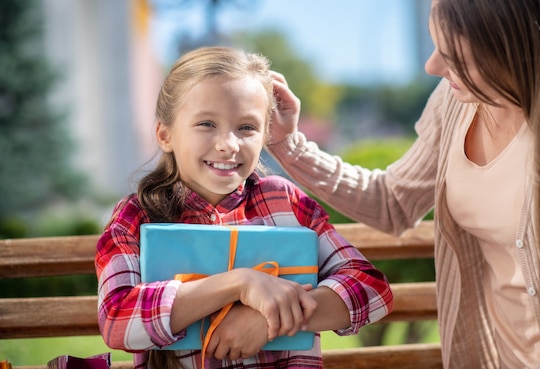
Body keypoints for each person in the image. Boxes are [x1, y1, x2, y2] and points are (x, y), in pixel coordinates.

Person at [265, 0, 540, 368]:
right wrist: (289, 145)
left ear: (513, 50)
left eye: (454, 55)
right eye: (435, 44)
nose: (432, 66)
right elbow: (391, 202)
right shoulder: (457, 102)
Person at [94, 46, 393, 369]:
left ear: (265, 134)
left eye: (247, 127)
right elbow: (116, 321)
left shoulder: (285, 202)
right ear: (165, 135)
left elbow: (372, 289)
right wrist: (241, 283)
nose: (229, 144)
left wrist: (267, 320)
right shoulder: (136, 215)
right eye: (206, 124)